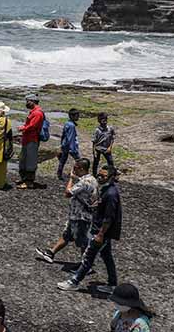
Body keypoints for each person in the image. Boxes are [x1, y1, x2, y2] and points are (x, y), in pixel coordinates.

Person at [58, 165, 121, 293]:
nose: (99, 177)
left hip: (101, 231)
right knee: (107, 256)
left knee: (88, 257)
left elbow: (109, 217)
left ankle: (74, 281)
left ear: (111, 177)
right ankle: (112, 283)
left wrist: (100, 234)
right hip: (100, 230)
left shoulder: (111, 194)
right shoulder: (107, 189)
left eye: (103, 176)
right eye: (99, 174)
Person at [36, 159, 97, 263]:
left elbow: (67, 193)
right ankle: (51, 253)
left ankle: (86, 264)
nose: (73, 170)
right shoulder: (92, 179)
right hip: (78, 214)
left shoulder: (84, 182)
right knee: (67, 234)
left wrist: (71, 179)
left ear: (81, 168)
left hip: (80, 216)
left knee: (82, 240)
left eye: (75, 168)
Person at [16, 94, 45, 189]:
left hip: (32, 139)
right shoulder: (34, 112)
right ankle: (24, 179)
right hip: (27, 139)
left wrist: (23, 128)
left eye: (27, 101)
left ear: (33, 101)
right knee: (24, 160)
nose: (26, 103)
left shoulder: (37, 113)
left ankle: (29, 182)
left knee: (30, 161)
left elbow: (32, 126)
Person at [58, 108, 81, 181]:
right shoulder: (71, 126)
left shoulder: (67, 123)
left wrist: (62, 145)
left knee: (62, 160)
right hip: (70, 146)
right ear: (72, 116)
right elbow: (70, 138)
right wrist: (73, 149)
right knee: (79, 160)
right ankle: (77, 174)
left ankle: (59, 174)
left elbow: (63, 135)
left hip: (65, 145)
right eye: (77, 116)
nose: (78, 117)